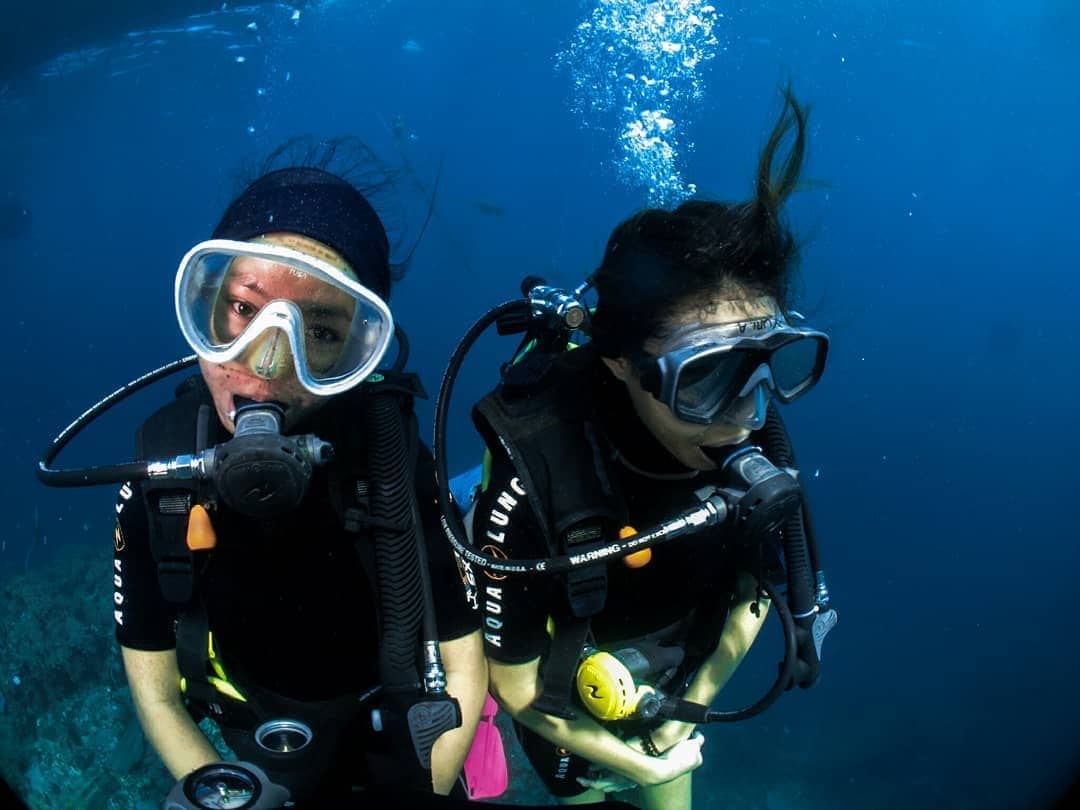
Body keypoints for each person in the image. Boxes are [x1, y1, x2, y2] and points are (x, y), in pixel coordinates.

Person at [464, 88, 829, 808]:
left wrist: (681, 718)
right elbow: (516, 685)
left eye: (769, 363)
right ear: (620, 363)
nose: (747, 410)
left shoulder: (750, 433)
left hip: (673, 691)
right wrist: (631, 763)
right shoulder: (539, 467)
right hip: (563, 702)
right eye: (706, 376)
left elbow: (755, 596)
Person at [112, 140, 486, 805]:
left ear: (359, 352)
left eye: (320, 331)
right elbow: (158, 695)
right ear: (207, 304)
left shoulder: (391, 460)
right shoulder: (161, 470)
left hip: (395, 730)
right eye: (243, 309)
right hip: (254, 734)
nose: (265, 366)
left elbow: (464, 666)